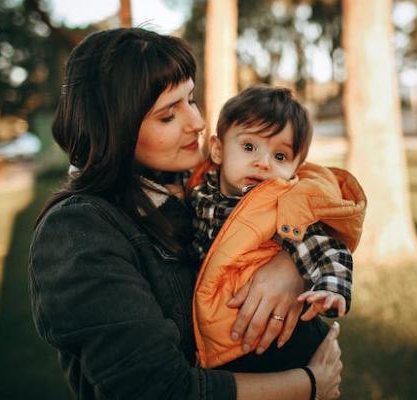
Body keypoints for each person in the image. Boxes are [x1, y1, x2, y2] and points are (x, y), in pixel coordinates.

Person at [29, 27, 342, 400]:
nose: (196, 122)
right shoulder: (78, 231)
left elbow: (312, 189)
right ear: (116, 129)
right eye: (168, 115)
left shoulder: (195, 179)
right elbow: (155, 390)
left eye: (191, 99)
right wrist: (309, 385)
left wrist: (289, 265)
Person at [155, 86, 366, 372]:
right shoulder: (201, 187)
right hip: (231, 333)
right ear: (218, 150)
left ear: (295, 168)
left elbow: (326, 247)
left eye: (280, 156)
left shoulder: (281, 205)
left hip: (276, 338)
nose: (263, 162)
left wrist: (332, 290)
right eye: (249, 147)